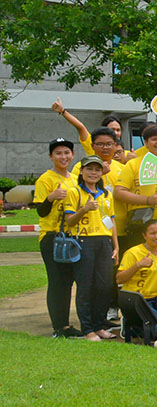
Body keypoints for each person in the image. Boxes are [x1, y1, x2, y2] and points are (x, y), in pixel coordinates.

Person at [64, 155, 119, 340]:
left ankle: (99, 325)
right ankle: (88, 329)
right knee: (86, 286)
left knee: (105, 286)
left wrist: (116, 246)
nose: (93, 173)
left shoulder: (106, 194)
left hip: (104, 242)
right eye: (89, 169)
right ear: (81, 171)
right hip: (84, 241)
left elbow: (112, 222)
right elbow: (70, 221)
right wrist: (84, 209)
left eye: (97, 169)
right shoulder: (74, 192)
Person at [35, 137, 80, 337]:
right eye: (58, 153)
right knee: (57, 282)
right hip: (52, 237)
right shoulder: (45, 179)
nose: (63, 157)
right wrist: (50, 198)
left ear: (73, 155)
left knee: (68, 282)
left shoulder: (74, 178)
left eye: (66, 153)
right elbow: (41, 211)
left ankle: (66, 324)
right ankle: (59, 327)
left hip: (71, 237)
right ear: (51, 156)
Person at [116, 219, 157, 343]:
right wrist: (138, 265)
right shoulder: (133, 252)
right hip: (137, 300)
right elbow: (119, 279)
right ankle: (130, 325)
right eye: (152, 233)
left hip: (156, 299)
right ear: (144, 235)